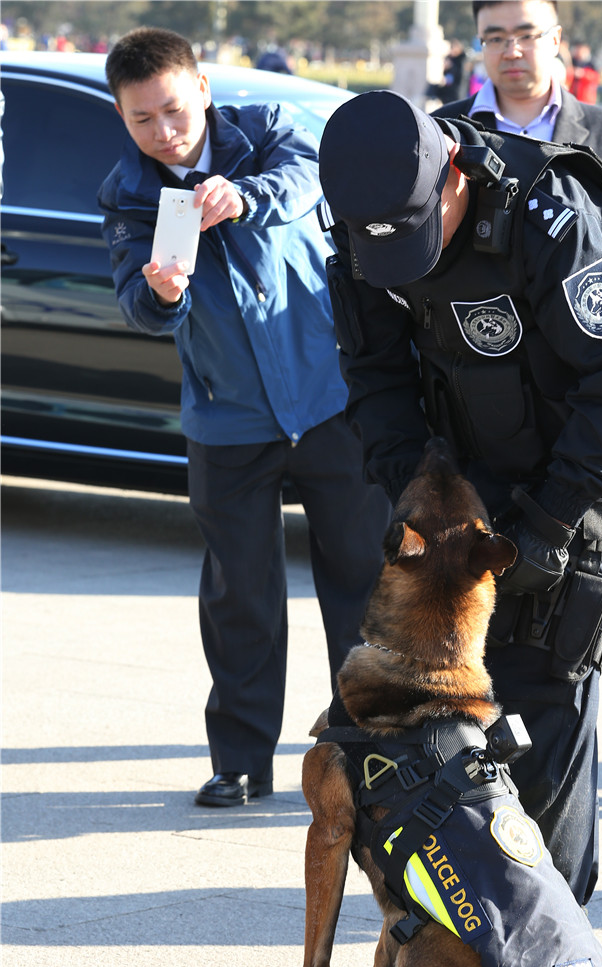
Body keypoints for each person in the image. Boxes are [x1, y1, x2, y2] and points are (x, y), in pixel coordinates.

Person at [316, 88, 602, 967]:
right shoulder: (360, 216)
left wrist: (544, 531)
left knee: (540, 721)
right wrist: (415, 499)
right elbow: (376, 379)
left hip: (579, 492)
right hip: (462, 489)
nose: (406, 261)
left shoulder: (550, 216)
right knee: (438, 743)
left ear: (453, 178)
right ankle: (450, 962)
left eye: (420, 236)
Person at [98, 28, 390, 808]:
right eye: (142, 118)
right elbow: (136, 302)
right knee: (240, 595)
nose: (164, 131)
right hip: (226, 423)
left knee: (362, 581)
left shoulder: (265, 131)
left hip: (329, 401)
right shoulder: (127, 193)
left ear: (201, 88)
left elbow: (307, 180)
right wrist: (161, 294)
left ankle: (374, 748)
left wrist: (246, 196)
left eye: (173, 108)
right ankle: (240, 758)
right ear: (121, 116)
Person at [437, 0, 602, 266]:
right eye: (496, 38)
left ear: (555, 40)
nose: (512, 51)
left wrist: (573, 221)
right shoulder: (442, 130)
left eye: (526, 36)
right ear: (481, 42)